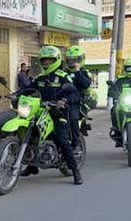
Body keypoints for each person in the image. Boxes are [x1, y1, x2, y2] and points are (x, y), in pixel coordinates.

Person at [17, 46, 83, 185]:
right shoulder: (40, 77)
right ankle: (32, 166)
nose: (46, 63)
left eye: (49, 60)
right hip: (41, 110)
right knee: (32, 134)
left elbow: (74, 94)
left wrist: (64, 100)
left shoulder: (63, 76)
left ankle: (75, 171)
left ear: (56, 60)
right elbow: (28, 89)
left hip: (58, 112)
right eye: (44, 60)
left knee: (62, 139)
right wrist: (16, 95)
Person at [65, 45, 92, 152]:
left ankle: (75, 142)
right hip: (62, 100)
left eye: (75, 60)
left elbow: (85, 84)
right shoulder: (64, 72)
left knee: (72, 118)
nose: (72, 62)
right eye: (70, 60)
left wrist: (77, 72)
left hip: (76, 102)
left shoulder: (84, 72)